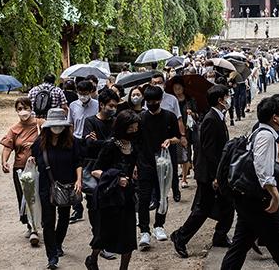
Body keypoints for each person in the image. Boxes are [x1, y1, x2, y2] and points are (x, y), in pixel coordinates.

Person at [220, 97, 279, 270]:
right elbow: (262, 167)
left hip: (249, 199)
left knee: (240, 244)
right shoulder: (265, 135)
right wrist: (274, 193)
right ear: (274, 117)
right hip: (259, 200)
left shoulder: (261, 132)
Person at [171, 85, 235, 258]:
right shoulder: (210, 119)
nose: (229, 98)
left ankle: (220, 236)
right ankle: (180, 237)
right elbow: (209, 151)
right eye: (227, 96)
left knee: (228, 205)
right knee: (203, 209)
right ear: (221, 100)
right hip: (209, 174)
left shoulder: (219, 117)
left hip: (216, 172)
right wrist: (216, 175)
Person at [85, 110, 141, 270]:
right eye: (131, 128)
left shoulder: (133, 145)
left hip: (127, 196)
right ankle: (93, 259)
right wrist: (116, 178)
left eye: (136, 128)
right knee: (104, 234)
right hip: (109, 197)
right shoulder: (111, 145)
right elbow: (96, 171)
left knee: (129, 237)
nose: (134, 131)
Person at [30, 108, 82, 269]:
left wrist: (79, 180)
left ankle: (58, 243)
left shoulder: (72, 142)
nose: (57, 129)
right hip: (47, 185)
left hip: (67, 185)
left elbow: (78, 162)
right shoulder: (40, 142)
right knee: (48, 220)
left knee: (64, 217)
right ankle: (52, 256)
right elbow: (33, 157)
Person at [137, 86, 181, 249]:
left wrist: (170, 141)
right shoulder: (141, 118)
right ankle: (144, 230)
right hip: (145, 162)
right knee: (144, 198)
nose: (151, 104)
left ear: (160, 100)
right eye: (148, 102)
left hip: (163, 163)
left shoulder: (169, 117)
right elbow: (137, 143)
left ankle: (159, 226)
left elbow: (178, 137)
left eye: (154, 101)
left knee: (163, 196)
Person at [83, 89, 120, 262]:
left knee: (109, 207)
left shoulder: (115, 122)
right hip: (94, 169)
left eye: (115, 106)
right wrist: (108, 143)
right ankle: (98, 240)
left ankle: (104, 240)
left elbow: (119, 143)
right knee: (94, 206)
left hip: (111, 170)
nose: (113, 108)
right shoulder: (90, 122)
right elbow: (89, 145)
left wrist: (102, 142)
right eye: (110, 105)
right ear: (102, 105)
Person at [0, 97, 42, 247]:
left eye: (25, 108)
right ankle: (31, 227)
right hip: (20, 168)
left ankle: (36, 225)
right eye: (19, 109)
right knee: (25, 197)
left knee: (38, 196)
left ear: (31, 108)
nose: (23, 111)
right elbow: (7, 147)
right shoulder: (14, 129)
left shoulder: (40, 125)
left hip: (39, 168)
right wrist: (4, 161)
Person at [68, 80, 99, 224]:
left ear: (91, 92)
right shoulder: (73, 106)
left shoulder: (97, 105)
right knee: (75, 174)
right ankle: (77, 207)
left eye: (85, 93)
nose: (82, 96)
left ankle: (93, 201)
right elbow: (70, 125)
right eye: (80, 93)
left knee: (91, 173)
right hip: (77, 141)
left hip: (92, 143)